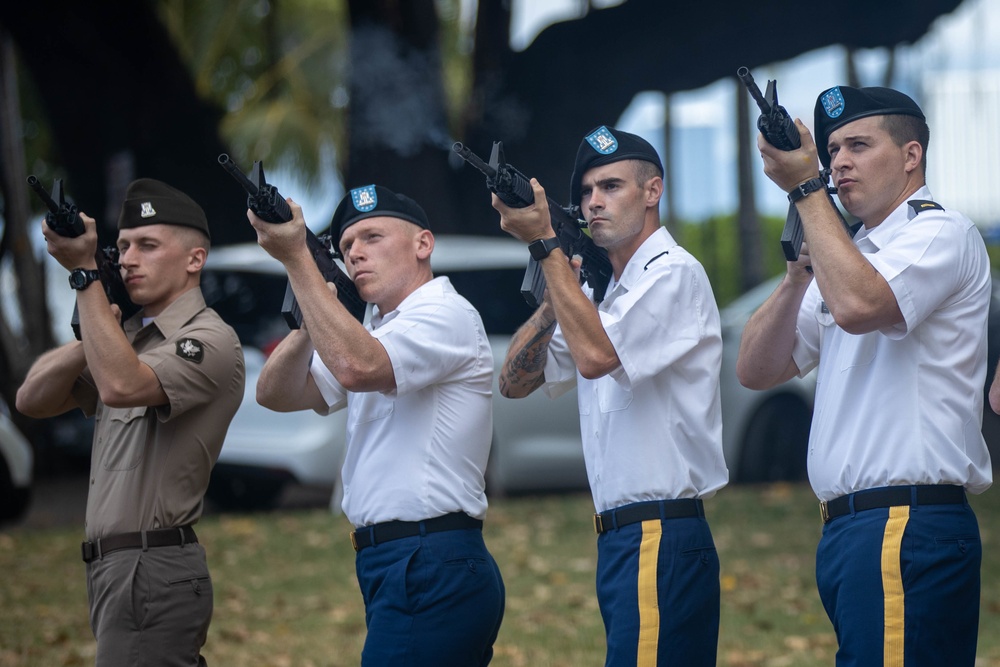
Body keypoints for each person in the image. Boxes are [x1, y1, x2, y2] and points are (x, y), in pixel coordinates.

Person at [737, 85, 992, 665]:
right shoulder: (848, 253)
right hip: (853, 531)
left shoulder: (939, 231)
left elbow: (860, 305)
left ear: (911, 156)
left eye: (858, 144)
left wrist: (806, 190)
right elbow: (757, 368)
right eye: (830, 151)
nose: (838, 162)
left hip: (907, 522)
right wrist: (795, 277)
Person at [494, 126, 728, 667]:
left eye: (611, 185)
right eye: (586, 192)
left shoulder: (673, 274)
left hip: (659, 531)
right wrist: (561, 290)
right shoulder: (602, 297)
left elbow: (599, 357)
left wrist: (547, 247)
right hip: (626, 539)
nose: (594, 201)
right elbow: (513, 382)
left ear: (653, 191)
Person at [252, 185, 505, 666]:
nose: (356, 253)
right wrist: (312, 314)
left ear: (422, 244)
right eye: (346, 247)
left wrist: (298, 262)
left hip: (431, 557)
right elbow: (276, 393)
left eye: (372, 236)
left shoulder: (444, 313)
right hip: (396, 561)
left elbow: (356, 367)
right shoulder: (376, 331)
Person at [16, 178, 246, 666]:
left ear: (194, 260)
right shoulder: (127, 341)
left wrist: (84, 275)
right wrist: (96, 328)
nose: (127, 259)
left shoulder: (209, 338)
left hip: (152, 566)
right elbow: (31, 399)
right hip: (118, 571)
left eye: (147, 245)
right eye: (121, 247)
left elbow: (121, 386)